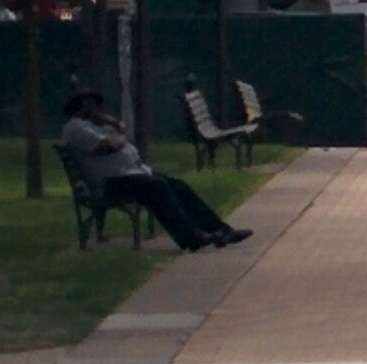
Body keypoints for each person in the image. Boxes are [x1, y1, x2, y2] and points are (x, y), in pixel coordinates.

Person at [57, 88, 250, 252]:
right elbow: (108, 147)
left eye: (96, 103)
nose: (95, 108)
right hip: (109, 183)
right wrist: (121, 134)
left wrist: (113, 124)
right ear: (79, 107)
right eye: (89, 104)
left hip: (130, 174)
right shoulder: (76, 128)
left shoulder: (97, 125)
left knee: (177, 185)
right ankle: (191, 238)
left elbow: (117, 140)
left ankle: (221, 230)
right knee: (157, 187)